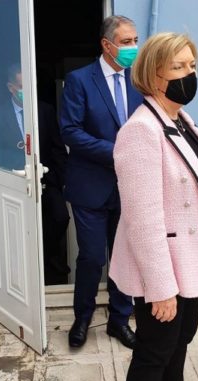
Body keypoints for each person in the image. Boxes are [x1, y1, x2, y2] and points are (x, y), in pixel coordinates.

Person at [111, 32, 198, 381]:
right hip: (162, 267)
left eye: (191, 65)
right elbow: (142, 218)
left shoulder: (180, 121)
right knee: (154, 351)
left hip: (187, 257)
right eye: (178, 67)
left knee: (182, 338)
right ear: (153, 74)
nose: (188, 74)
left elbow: (188, 185)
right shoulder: (141, 130)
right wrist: (160, 289)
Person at [59, 16, 143, 349]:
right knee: (92, 257)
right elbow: (71, 131)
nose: (133, 47)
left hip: (129, 187)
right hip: (90, 186)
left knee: (124, 257)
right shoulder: (80, 80)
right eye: (126, 42)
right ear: (107, 45)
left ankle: (120, 321)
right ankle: (83, 318)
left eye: (135, 40)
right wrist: (117, 152)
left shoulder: (139, 80)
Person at [0, 64, 70, 285]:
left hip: (46, 179)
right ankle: (21, 275)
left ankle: (50, 266)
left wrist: (58, 180)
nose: (27, 91)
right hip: (14, 180)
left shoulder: (44, 110)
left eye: (30, 85)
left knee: (59, 218)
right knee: (17, 229)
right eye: (22, 86)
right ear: (11, 88)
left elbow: (57, 148)